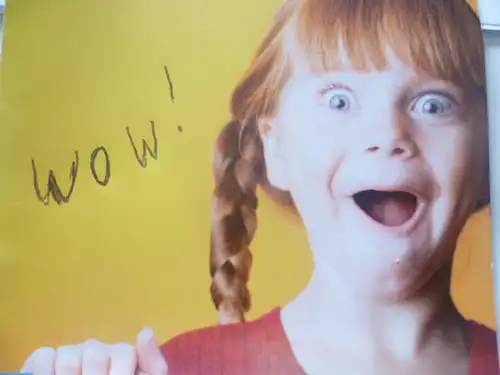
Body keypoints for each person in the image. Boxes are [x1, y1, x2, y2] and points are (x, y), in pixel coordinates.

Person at [21, 0, 497, 374]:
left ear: (487, 157)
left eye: (434, 105)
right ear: (276, 151)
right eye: (338, 100)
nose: (388, 135)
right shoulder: (173, 370)